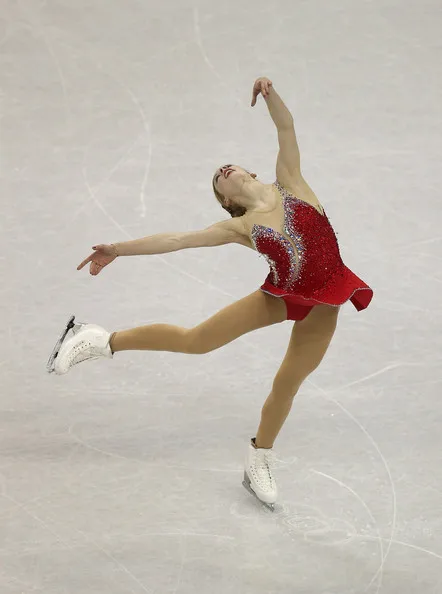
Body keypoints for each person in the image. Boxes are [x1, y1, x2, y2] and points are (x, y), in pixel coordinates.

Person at [47, 77, 373, 511]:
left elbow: (287, 129)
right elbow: (176, 240)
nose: (223, 172)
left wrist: (272, 96)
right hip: (280, 295)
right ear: (226, 202)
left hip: (325, 301)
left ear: (250, 171)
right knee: (195, 341)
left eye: (228, 167)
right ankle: (96, 340)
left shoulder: (291, 184)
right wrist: (119, 250)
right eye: (217, 181)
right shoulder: (239, 226)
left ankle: (259, 458)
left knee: (288, 382)